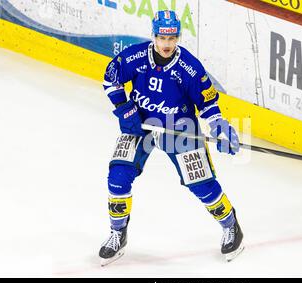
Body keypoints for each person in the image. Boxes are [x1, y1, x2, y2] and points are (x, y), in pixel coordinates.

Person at [99, 10, 244, 266]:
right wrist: (125, 109)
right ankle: (117, 233)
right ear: (153, 36)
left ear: (178, 37)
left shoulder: (190, 68)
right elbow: (111, 78)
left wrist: (219, 127)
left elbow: (208, 104)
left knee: (202, 185)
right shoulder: (135, 56)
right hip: (139, 125)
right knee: (118, 177)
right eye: (162, 38)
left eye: (172, 38)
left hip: (180, 128)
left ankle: (231, 225)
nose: (167, 44)